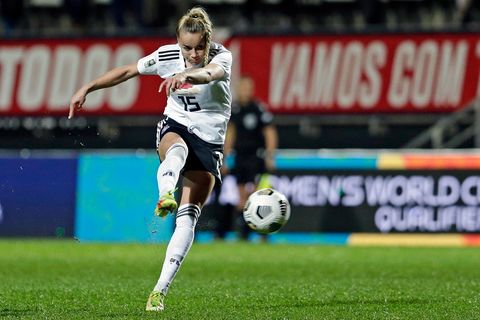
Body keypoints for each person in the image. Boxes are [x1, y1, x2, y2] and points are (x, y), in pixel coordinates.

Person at [68, 6, 232, 312]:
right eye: (187, 48)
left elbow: (210, 74)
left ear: (208, 42)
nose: (193, 54)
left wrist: (188, 73)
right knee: (176, 149)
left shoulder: (222, 56)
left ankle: (159, 290)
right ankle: (164, 194)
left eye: (199, 47)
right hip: (177, 123)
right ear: (178, 42)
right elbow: (129, 70)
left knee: (188, 218)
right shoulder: (167, 56)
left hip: (210, 140)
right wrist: (88, 87)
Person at [221, 75, 278, 241]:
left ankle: (262, 232)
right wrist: (223, 158)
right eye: (242, 88)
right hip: (240, 157)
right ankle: (243, 232)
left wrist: (269, 155)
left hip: (256, 157)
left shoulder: (258, 109)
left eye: (247, 88)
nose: (244, 91)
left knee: (256, 194)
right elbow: (230, 134)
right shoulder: (235, 109)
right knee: (240, 196)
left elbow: (270, 132)